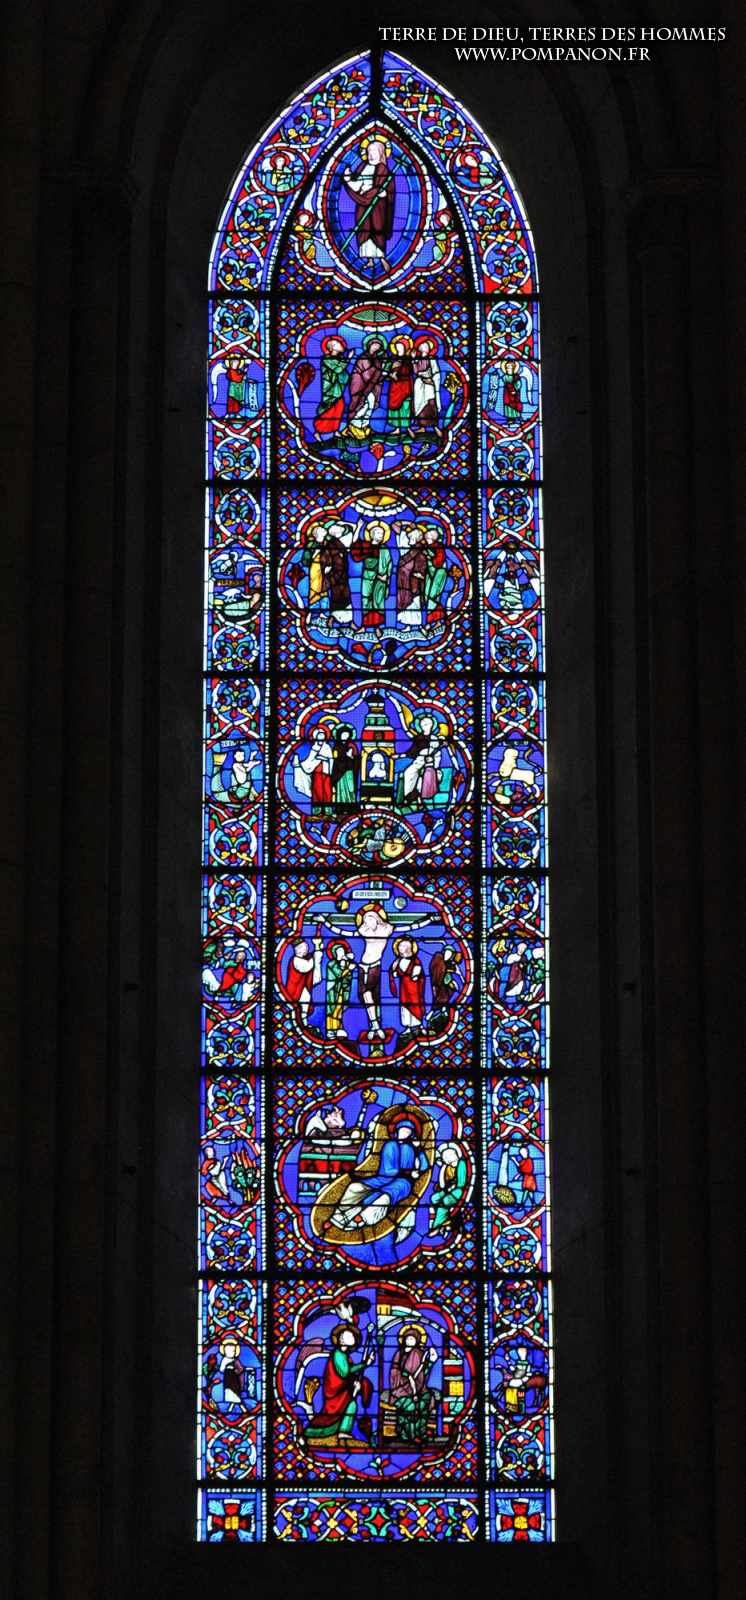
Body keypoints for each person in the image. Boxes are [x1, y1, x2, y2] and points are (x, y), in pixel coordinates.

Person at [329, 1117, 426, 1230]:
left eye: (408, 1132)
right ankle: (339, 1212)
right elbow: (388, 1170)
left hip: (403, 1182)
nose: (405, 1133)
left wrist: (419, 1148)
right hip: (383, 1178)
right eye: (403, 1130)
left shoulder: (412, 1148)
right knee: (355, 1187)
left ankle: (360, 1220)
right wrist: (407, 1171)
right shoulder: (390, 1145)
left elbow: (424, 1166)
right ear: (397, 1130)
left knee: (384, 1198)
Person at [305, 1324, 373, 1442]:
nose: (351, 1338)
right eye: (347, 1336)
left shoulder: (345, 1356)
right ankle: (339, 1431)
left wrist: (357, 1383)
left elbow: (349, 1374)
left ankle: (343, 1431)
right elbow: (345, 1372)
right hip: (336, 1392)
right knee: (348, 1406)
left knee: (352, 1405)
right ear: (340, 1340)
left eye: (352, 1336)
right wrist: (364, 1364)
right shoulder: (338, 1354)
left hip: (343, 1391)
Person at [341, 137, 396, 266]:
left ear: (381, 153)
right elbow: (356, 186)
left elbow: (390, 191)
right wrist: (348, 178)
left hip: (378, 206)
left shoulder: (383, 169)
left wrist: (385, 194)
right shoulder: (362, 166)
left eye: (374, 152)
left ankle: (382, 258)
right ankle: (369, 260)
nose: (371, 155)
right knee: (363, 229)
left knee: (378, 228)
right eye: (369, 152)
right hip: (362, 204)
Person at [388, 1324, 437, 1442]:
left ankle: (420, 1432)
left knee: (425, 1401)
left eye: (413, 1339)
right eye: (408, 1338)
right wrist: (404, 1376)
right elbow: (394, 1370)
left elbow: (424, 1371)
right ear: (404, 1339)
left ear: (417, 1341)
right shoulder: (399, 1353)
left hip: (418, 1385)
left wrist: (431, 1361)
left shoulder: (418, 1353)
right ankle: (407, 1434)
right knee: (409, 1407)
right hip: (401, 1386)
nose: (410, 1341)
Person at [355, 902, 394, 1039]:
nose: (367, 923)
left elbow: (408, 927)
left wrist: (428, 920)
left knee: (375, 998)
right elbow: (344, 932)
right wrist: (327, 923)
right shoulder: (364, 931)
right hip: (363, 966)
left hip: (375, 966)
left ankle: (374, 1026)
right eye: (365, 921)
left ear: (377, 919)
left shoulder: (386, 930)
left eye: (370, 919)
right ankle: (375, 1025)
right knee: (367, 996)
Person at [351, 519, 392, 626]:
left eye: (382, 533)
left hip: (380, 578)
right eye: (378, 533)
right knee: (365, 599)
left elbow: (389, 565)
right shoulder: (365, 546)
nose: (381, 535)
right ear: (372, 534)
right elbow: (354, 545)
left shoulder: (385, 549)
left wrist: (386, 576)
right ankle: (365, 625)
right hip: (367, 576)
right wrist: (358, 527)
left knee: (378, 601)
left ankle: (377, 626)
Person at [347, 334, 386, 441]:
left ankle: (364, 426)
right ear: (369, 345)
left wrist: (382, 374)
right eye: (375, 345)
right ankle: (353, 426)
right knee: (361, 406)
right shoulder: (363, 357)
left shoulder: (377, 360)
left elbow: (377, 374)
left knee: (370, 406)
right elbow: (365, 374)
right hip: (360, 386)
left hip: (372, 388)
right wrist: (375, 374)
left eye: (378, 346)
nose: (376, 347)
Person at [389, 936, 426, 1035]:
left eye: (405, 946)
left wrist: (416, 974)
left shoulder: (415, 961)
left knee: (415, 1005)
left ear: (411, 948)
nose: (402, 948)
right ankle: (408, 1027)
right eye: (401, 946)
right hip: (404, 988)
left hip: (414, 988)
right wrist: (394, 973)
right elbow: (394, 972)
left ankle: (418, 1025)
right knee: (405, 1006)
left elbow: (417, 972)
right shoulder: (397, 961)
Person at [293, 725, 334, 812]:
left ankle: (327, 808)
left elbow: (330, 759)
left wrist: (323, 758)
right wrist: (300, 765)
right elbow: (310, 759)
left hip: (326, 771)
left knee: (327, 789)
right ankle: (317, 808)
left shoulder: (327, 747)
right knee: (317, 789)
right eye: (319, 737)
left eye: (323, 736)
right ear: (316, 737)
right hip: (316, 771)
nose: (321, 738)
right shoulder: (314, 747)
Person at [395, 523, 429, 628]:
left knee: (414, 603)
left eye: (411, 537)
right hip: (406, 581)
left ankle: (418, 626)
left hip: (414, 583)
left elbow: (422, 566)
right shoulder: (411, 550)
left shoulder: (417, 551)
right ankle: (409, 625)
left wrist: (419, 573)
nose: (409, 539)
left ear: (416, 538)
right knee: (409, 604)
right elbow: (395, 527)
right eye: (409, 537)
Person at [314, 335, 349, 436]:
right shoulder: (327, 359)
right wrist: (348, 359)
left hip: (338, 389)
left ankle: (335, 430)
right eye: (337, 344)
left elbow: (344, 375)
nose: (341, 345)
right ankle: (318, 432)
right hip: (330, 389)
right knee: (328, 410)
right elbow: (338, 369)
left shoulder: (340, 359)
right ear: (332, 347)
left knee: (339, 408)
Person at [430, 1141, 468, 1232]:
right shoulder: (448, 1167)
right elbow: (443, 1184)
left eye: (449, 1155)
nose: (447, 1158)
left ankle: (437, 1225)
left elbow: (462, 1183)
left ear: (455, 1154)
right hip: (449, 1190)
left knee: (445, 1200)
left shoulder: (462, 1164)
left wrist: (452, 1188)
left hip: (459, 1190)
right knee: (434, 1198)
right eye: (445, 1157)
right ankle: (443, 1218)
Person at [284, 935, 323, 1023]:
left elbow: (315, 962)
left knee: (305, 1006)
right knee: (298, 1008)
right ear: (297, 949)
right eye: (304, 947)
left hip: (302, 989)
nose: (306, 949)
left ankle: (303, 1023)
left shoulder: (306, 958)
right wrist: (316, 948)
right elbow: (307, 966)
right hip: (295, 991)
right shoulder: (296, 960)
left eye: (306, 946)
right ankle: (299, 1023)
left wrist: (317, 947)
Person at [325, 940, 354, 1038]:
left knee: (340, 1010)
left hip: (341, 991)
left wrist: (347, 967)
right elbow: (338, 975)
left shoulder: (344, 963)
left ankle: (338, 1028)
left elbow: (347, 978)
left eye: (343, 951)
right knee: (332, 1010)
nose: (342, 953)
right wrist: (348, 969)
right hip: (332, 991)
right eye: (339, 951)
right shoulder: (331, 963)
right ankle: (330, 1030)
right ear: (335, 953)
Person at [412, 336, 441, 431]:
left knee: (431, 403)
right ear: (420, 348)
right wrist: (413, 360)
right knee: (419, 404)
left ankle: (435, 426)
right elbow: (416, 371)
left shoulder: (431, 359)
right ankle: (422, 427)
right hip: (419, 384)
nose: (426, 346)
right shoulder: (418, 359)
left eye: (427, 345)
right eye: (423, 345)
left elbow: (436, 372)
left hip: (429, 383)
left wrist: (432, 380)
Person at [428, 945, 459, 1032]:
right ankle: (432, 1014)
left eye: (450, 954)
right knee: (439, 998)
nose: (448, 955)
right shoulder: (438, 959)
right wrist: (448, 979)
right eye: (447, 952)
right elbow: (437, 971)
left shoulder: (449, 963)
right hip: (438, 985)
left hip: (445, 987)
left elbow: (451, 973)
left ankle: (442, 1011)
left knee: (446, 997)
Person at [387, 334, 414, 433]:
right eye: (397, 347)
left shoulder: (408, 360)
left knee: (405, 406)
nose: (398, 349)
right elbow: (388, 371)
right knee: (394, 407)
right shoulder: (393, 359)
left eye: (401, 347)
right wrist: (391, 374)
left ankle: (407, 427)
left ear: (405, 348)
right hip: (395, 386)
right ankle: (397, 428)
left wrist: (398, 373)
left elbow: (409, 371)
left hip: (405, 385)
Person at [330, 723, 359, 810]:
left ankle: (351, 807)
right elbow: (335, 760)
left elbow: (357, 760)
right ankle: (340, 808)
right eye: (343, 734)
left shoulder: (352, 746)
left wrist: (351, 757)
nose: (345, 736)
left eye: (347, 735)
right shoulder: (336, 747)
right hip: (339, 773)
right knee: (341, 790)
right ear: (339, 735)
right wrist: (346, 756)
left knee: (351, 789)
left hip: (349, 771)